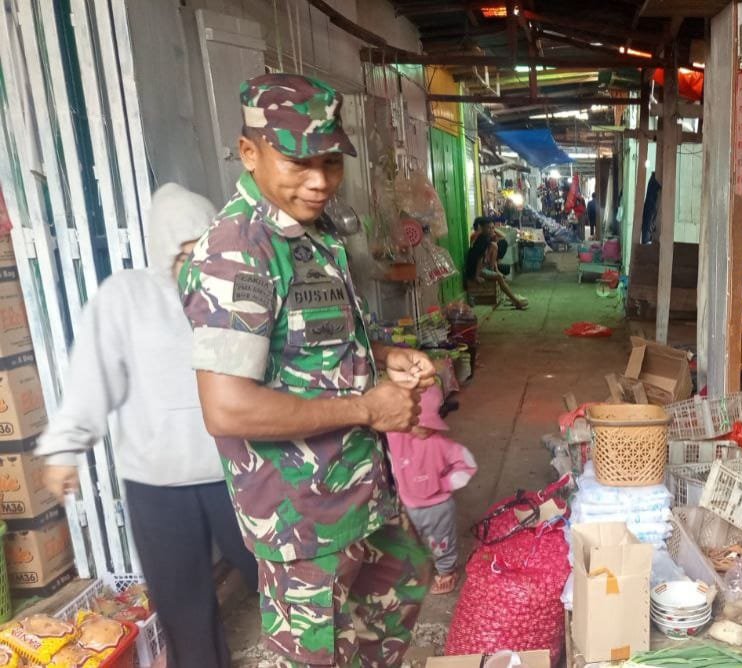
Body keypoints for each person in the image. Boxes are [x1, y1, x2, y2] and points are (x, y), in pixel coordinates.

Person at [179, 73, 436, 667]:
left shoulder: (311, 233)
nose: (319, 181)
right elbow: (227, 408)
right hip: (301, 514)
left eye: (331, 162)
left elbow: (315, 337)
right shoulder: (237, 253)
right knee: (315, 655)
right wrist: (369, 407)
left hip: (358, 489)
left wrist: (385, 355)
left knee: (399, 589)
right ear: (249, 152)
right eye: (298, 162)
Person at [36, 183, 259, 668]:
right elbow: (92, 377)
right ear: (162, 253)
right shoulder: (126, 298)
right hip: (156, 486)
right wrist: (65, 448)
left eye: (203, 250)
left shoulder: (237, 292)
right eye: (183, 253)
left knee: (276, 577)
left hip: (236, 472)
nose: (194, 264)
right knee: (184, 609)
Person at [386, 385, 476, 596]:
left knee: (441, 542)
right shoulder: (394, 437)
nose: (425, 429)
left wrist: (444, 484)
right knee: (408, 540)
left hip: (438, 507)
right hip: (406, 504)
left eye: (430, 424)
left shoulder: (443, 444)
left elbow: (468, 465)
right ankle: (413, 568)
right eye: (418, 423)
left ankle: (446, 572)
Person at [465, 219, 528, 310]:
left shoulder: (487, 239)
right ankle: (516, 301)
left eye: (492, 228)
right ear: (482, 228)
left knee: (500, 273)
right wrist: (477, 276)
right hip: (477, 270)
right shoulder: (481, 239)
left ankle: (512, 298)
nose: (491, 230)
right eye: (488, 228)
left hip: (482, 267)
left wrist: (496, 270)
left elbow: (502, 238)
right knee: (499, 277)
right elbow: (479, 259)